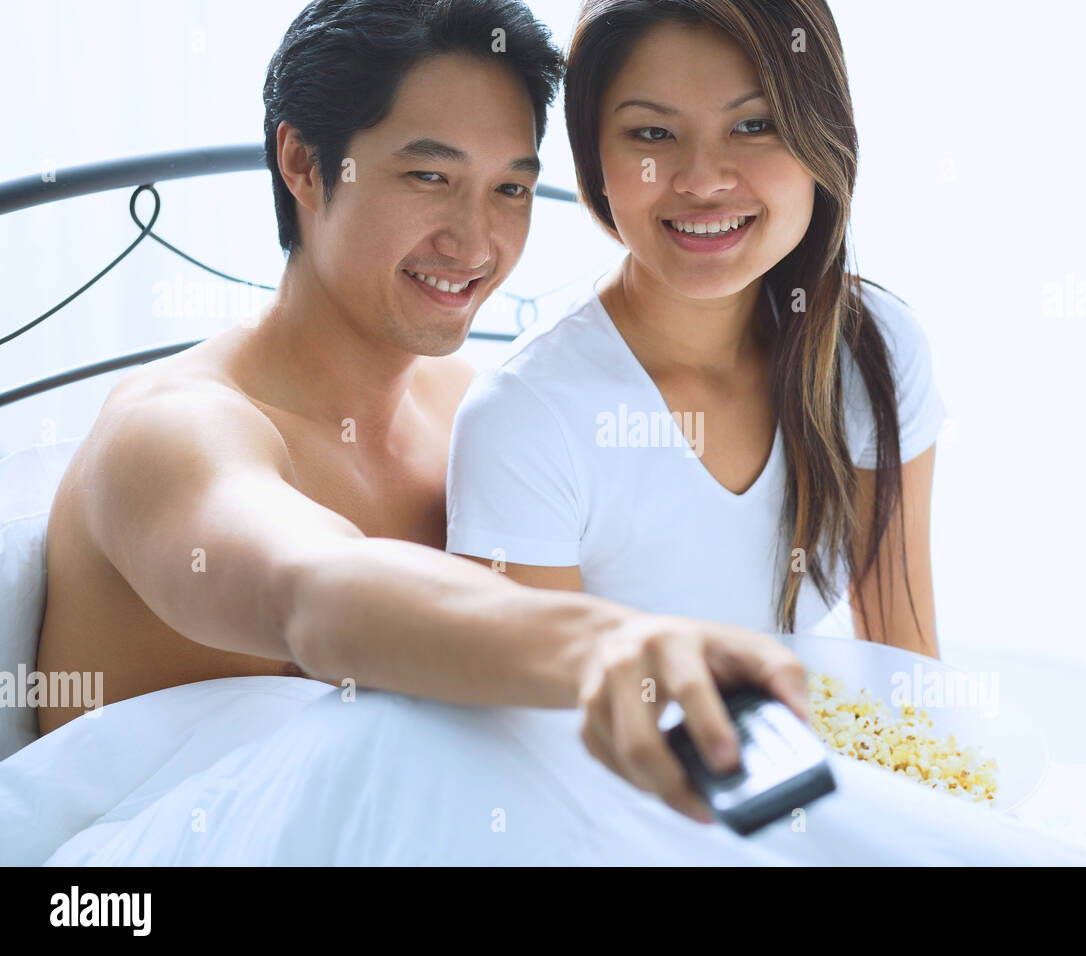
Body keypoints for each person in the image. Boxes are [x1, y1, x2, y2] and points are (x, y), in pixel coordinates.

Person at [33, 0, 811, 827]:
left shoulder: (479, 413)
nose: (475, 242)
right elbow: (315, 594)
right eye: (429, 177)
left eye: (510, 187)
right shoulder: (174, 430)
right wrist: (600, 642)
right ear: (301, 162)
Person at [448, 0, 948, 653]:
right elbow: (532, 736)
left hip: (797, 752)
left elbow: (906, 680)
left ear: (822, 133)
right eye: (653, 134)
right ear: (594, 158)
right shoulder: (524, 418)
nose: (703, 181)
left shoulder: (872, 350)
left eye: (754, 125)